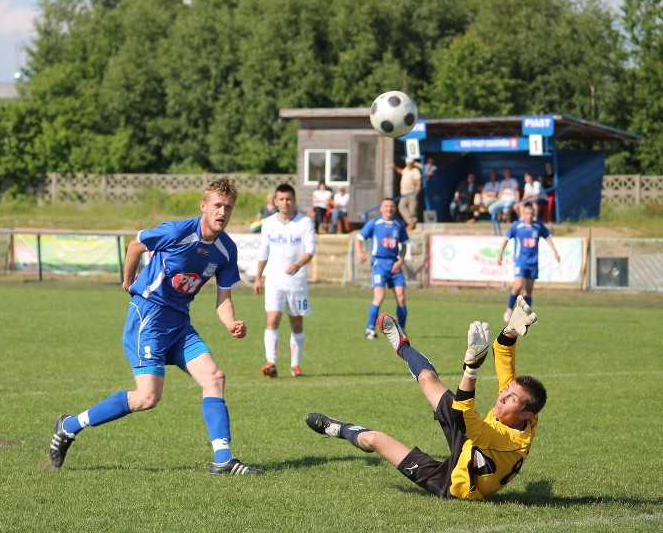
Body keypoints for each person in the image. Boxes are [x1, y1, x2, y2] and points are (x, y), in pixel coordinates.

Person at [48, 178, 263, 476]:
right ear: (204, 206)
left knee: (214, 377)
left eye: (228, 207)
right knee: (147, 398)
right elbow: (135, 245)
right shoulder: (177, 232)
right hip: (148, 318)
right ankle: (69, 426)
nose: (222, 212)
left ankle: (223, 459)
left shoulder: (226, 250)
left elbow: (223, 297)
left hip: (179, 324)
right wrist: (128, 280)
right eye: (217, 205)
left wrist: (231, 324)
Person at [306, 295, 546, 501]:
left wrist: (471, 370)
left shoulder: (507, 439)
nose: (502, 396)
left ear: (527, 414)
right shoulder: (521, 413)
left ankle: (338, 429)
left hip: (456, 482)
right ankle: (402, 345)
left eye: (511, 398)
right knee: (428, 378)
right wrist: (509, 332)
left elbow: (463, 418)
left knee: (374, 439)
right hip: (471, 442)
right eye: (506, 392)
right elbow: (504, 359)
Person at [254, 184, 316, 378]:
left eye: (288, 199)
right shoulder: (269, 223)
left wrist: (298, 264)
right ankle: (271, 362)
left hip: (296, 282)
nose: (285, 203)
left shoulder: (305, 222)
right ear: (275, 201)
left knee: (296, 324)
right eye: (281, 199)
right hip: (274, 280)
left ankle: (295, 365)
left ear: (294, 200)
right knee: (272, 320)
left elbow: (310, 250)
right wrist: (258, 277)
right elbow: (264, 251)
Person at [497, 202, 560, 322]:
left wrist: (555, 252)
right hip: (521, 261)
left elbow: (548, 238)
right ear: (523, 214)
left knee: (529, 290)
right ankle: (509, 309)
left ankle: (526, 315)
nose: (529, 216)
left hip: (533, 262)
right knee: (518, 285)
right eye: (527, 213)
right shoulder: (517, 226)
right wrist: (500, 254)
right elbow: (506, 239)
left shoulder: (538, 226)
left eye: (531, 213)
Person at [355, 198, 409, 338]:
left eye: (391, 206)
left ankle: (401, 331)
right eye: (386, 206)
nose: (388, 209)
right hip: (379, 263)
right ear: (381, 208)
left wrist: (400, 261)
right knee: (379, 295)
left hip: (395, 264)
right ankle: (370, 329)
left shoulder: (399, 224)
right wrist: (360, 253)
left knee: (401, 298)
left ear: (395, 208)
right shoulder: (374, 223)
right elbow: (358, 238)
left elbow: (404, 245)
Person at [390, 157, 422, 230]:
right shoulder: (406, 170)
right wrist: (394, 167)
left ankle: (412, 224)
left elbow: (418, 180)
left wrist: (418, 188)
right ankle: (410, 222)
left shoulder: (415, 171)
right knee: (401, 207)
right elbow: (400, 171)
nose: (408, 164)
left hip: (411, 192)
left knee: (412, 209)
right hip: (404, 193)